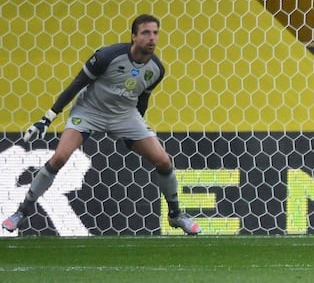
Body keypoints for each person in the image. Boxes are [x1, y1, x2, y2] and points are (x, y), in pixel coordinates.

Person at [3, 14, 201, 236]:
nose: (152, 38)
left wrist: (136, 132)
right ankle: (22, 211)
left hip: (125, 116)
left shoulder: (156, 69)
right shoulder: (107, 56)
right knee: (59, 158)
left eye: (155, 33)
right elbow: (77, 84)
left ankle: (176, 215)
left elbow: (142, 99)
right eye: (146, 32)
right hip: (89, 112)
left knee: (163, 161)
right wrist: (48, 117)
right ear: (134, 36)